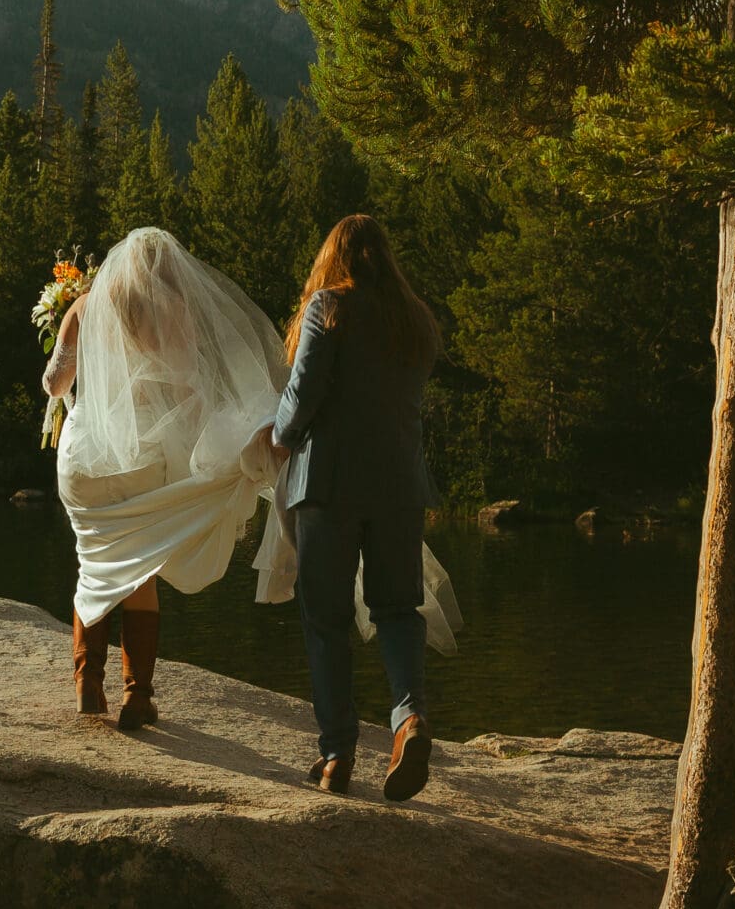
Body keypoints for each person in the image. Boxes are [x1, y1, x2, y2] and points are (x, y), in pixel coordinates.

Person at [41, 228, 289, 731]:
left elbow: (54, 382)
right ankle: (137, 696)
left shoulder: (85, 308)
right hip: (142, 463)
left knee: (94, 566)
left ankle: (89, 686)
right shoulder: (174, 314)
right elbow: (187, 388)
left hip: (85, 461)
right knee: (140, 573)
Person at [269, 214, 444, 799]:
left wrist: (279, 434)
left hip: (329, 485)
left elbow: (303, 393)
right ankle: (409, 719)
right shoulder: (415, 320)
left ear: (334, 257)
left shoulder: (327, 308)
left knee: (326, 619)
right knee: (397, 608)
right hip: (399, 487)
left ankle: (337, 754)